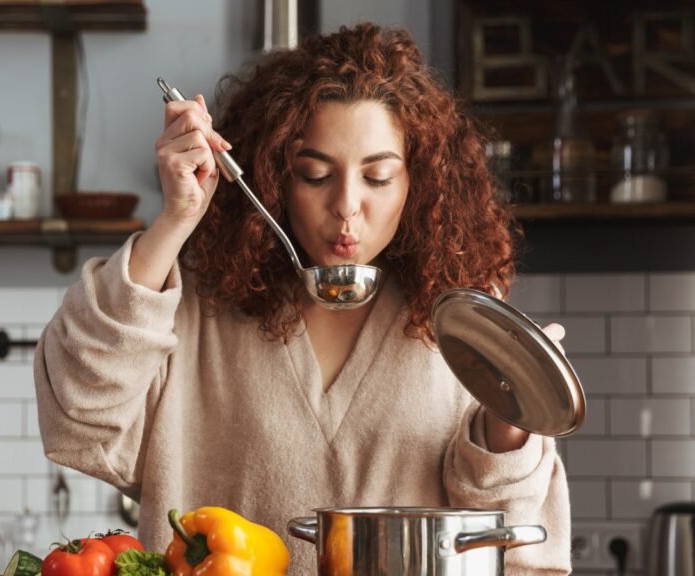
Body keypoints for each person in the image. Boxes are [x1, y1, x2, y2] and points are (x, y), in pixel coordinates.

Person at [35, 22, 571, 575]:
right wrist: (175, 221)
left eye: (378, 178)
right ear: (272, 178)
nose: (346, 206)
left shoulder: (463, 321)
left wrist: (511, 417)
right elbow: (81, 412)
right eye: (315, 175)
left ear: (421, 183)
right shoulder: (197, 305)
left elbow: (507, 537)